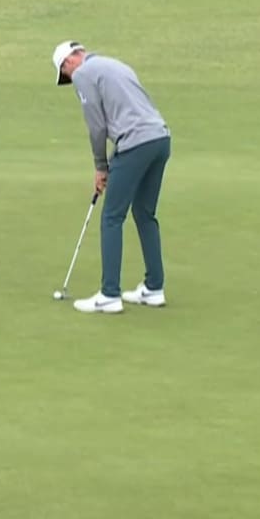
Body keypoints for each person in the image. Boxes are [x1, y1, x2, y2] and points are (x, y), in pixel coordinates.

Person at [52, 40, 171, 314]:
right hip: (160, 139)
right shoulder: (116, 64)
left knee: (112, 217)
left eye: (65, 74)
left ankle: (109, 294)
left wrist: (100, 165)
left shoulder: (83, 73)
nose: (70, 79)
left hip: (135, 144)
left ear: (69, 61)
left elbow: (96, 125)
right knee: (144, 213)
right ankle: (154, 288)